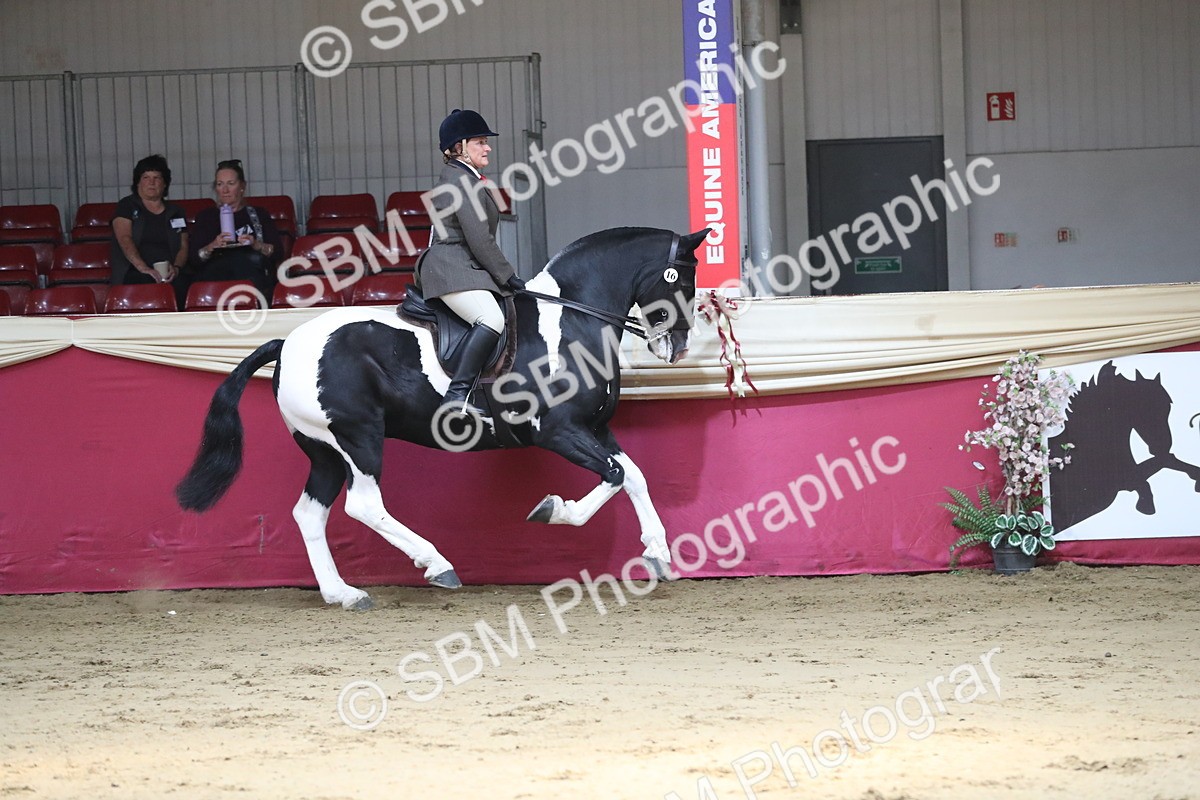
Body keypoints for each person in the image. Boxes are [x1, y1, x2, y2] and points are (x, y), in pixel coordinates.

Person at [416, 109, 525, 414]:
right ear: (460, 146)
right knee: (491, 319)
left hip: (462, 265)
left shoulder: (464, 177)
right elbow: (479, 240)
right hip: (451, 267)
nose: (487, 148)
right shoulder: (461, 181)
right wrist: (507, 275)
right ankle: (457, 394)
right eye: (480, 142)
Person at [188, 159, 282, 301]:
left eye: (231, 184)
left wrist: (255, 244)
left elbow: (278, 252)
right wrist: (212, 246)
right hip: (215, 279)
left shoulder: (258, 215)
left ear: (242, 186)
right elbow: (194, 259)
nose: (225, 190)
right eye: (220, 184)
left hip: (251, 277)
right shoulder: (206, 217)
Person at [110, 154, 189, 304]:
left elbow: (183, 246)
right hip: (136, 272)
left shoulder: (176, 211)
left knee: (185, 284)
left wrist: (176, 268)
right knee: (144, 282)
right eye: (146, 177)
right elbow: (124, 238)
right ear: (138, 182)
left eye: (157, 178)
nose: (152, 182)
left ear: (165, 184)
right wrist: (144, 269)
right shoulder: (126, 206)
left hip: (170, 274)